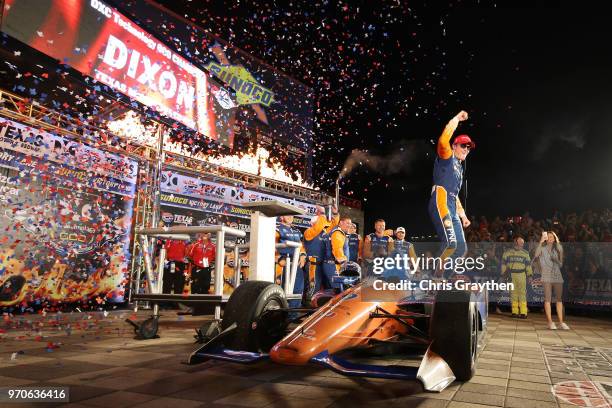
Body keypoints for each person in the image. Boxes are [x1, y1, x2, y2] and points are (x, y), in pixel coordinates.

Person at [428, 110, 473, 275]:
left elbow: (454, 195)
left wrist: (463, 216)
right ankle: (435, 278)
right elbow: (442, 139)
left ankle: (444, 280)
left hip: (452, 206)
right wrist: (456, 119)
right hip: (440, 201)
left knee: (461, 249)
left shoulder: (459, 169)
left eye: (468, 147)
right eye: (463, 145)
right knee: (450, 244)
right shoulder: (447, 157)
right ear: (454, 146)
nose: (466, 149)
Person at [535, 231, 569, 330]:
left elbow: (561, 264)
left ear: (554, 238)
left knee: (559, 300)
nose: (550, 238)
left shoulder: (557, 249)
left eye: (552, 237)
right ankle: (550, 322)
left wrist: (556, 259)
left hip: (557, 276)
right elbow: (536, 255)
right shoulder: (542, 248)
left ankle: (561, 322)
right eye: (548, 237)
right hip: (546, 276)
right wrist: (541, 241)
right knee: (548, 299)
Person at [304, 206, 339, 293]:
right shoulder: (308, 232)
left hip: (323, 264)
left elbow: (334, 224)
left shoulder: (324, 232)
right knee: (313, 286)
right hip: (313, 264)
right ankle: (309, 305)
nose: (323, 224)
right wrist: (323, 214)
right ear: (313, 223)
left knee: (324, 287)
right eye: (319, 222)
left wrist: (335, 213)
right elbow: (317, 228)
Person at [501, 235, 533, 318]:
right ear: (515, 242)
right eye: (520, 242)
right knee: (513, 294)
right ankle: (514, 312)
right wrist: (504, 275)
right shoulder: (507, 253)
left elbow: (528, 266)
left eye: (522, 243)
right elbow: (503, 265)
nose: (522, 244)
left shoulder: (525, 253)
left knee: (522, 294)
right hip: (511, 275)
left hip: (521, 274)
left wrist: (529, 275)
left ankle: (523, 312)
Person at [322, 216, 352, 288]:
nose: (349, 225)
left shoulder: (340, 233)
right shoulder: (338, 233)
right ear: (341, 222)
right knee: (339, 289)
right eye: (347, 223)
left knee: (332, 290)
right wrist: (343, 263)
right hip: (334, 265)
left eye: (350, 224)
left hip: (332, 264)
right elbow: (337, 249)